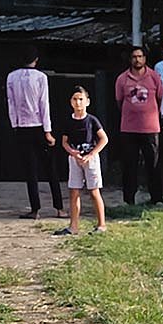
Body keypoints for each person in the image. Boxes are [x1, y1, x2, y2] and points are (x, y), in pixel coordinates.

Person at [6, 48, 63, 220]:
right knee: (50, 169)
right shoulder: (40, 77)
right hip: (38, 126)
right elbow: (44, 104)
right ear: (36, 60)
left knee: (30, 170)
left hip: (22, 127)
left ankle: (35, 209)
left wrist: (14, 124)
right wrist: (48, 131)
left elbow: (11, 103)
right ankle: (59, 208)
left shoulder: (11, 77)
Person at [113, 46, 163, 207]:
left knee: (153, 165)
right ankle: (129, 200)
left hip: (150, 128)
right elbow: (119, 101)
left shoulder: (154, 77)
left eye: (140, 56)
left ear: (145, 59)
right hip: (129, 128)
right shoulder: (122, 78)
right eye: (134, 57)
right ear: (130, 59)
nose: (137, 60)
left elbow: (160, 98)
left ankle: (156, 199)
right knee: (129, 166)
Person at [55, 86, 108, 235]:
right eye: (75, 99)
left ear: (87, 102)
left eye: (81, 99)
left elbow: (104, 139)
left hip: (90, 160)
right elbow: (64, 141)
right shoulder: (68, 121)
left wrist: (91, 154)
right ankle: (73, 226)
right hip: (75, 159)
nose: (78, 103)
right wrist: (72, 153)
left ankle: (101, 225)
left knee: (94, 191)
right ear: (71, 102)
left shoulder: (92, 120)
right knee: (74, 192)